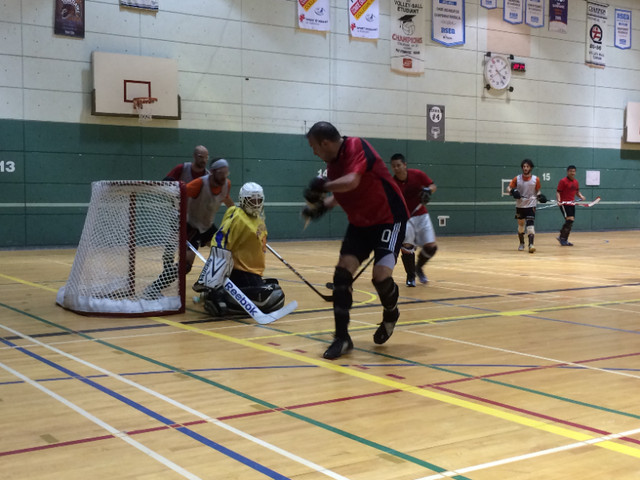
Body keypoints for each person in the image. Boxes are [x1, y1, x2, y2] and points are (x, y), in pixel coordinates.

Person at [303, 121, 409, 360]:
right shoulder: (332, 167)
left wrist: (323, 186)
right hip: (361, 223)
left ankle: (391, 313)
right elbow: (343, 193)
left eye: (314, 147)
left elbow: (352, 180)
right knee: (342, 274)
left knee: (380, 276)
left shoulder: (356, 146)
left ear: (325, 142)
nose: (314, 152)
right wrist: (321, 207)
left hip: (388, 218)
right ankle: (342, 338)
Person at [194, 182, 285, 316]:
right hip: (242, 272)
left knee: (274, 289)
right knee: (274, 295)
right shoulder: (237, 215)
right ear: (243, 200)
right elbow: (220, 240)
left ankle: (225, 297)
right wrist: (215, 279)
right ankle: (220, 298)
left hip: (254, 272)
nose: (255, 204)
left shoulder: (259, 219)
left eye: (258, 200)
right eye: (251, 200)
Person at [389, 153, 437, 287]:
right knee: (407, 247)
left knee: (431, 247)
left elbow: (433, 186)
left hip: (421, 215)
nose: (397, 168)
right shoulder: (392, 184)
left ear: (405, 165)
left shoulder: (417, 174)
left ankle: (419, 267)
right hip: (405, 218)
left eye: (399, 165)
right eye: (394, 166)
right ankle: (410, 276)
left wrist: (428, 190)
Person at [184, 158, 234, 273]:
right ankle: (157, 285)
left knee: (225, 254)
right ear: (212, 171)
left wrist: (236, 213)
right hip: (192, 225)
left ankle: (212, 281)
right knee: (186, 265)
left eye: (226, 173)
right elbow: (180, 194)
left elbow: (226, 198)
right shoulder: (199, 184)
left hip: (208, 226)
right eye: (221, 173)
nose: (224, 176)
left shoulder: (227, 184)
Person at [507, 158, 547, 253]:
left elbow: (538, 191)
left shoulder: (535, 179)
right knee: (521, 226)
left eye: (527, 166)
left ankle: (531, 245)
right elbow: (508, 188)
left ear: (531, 168)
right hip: (520, 206)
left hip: (531, 205)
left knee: (530, 226)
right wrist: (513, 191)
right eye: (524, 166)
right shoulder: (517, 178)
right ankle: (521, 243)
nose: (525, 168)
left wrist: (540, 196)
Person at [556, 165, 586, 246]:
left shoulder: (576, 182)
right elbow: (558, 192)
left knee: (570, 221)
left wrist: (581, 196)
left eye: (574, 171)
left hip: (572, 203)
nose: (572, 173)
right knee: (570, 220)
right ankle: (563, 239)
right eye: (571, 171)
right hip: (564, 204)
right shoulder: (563, 181)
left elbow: (577, 192)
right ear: (567, 172)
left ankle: (562, 237)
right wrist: (559, 201)